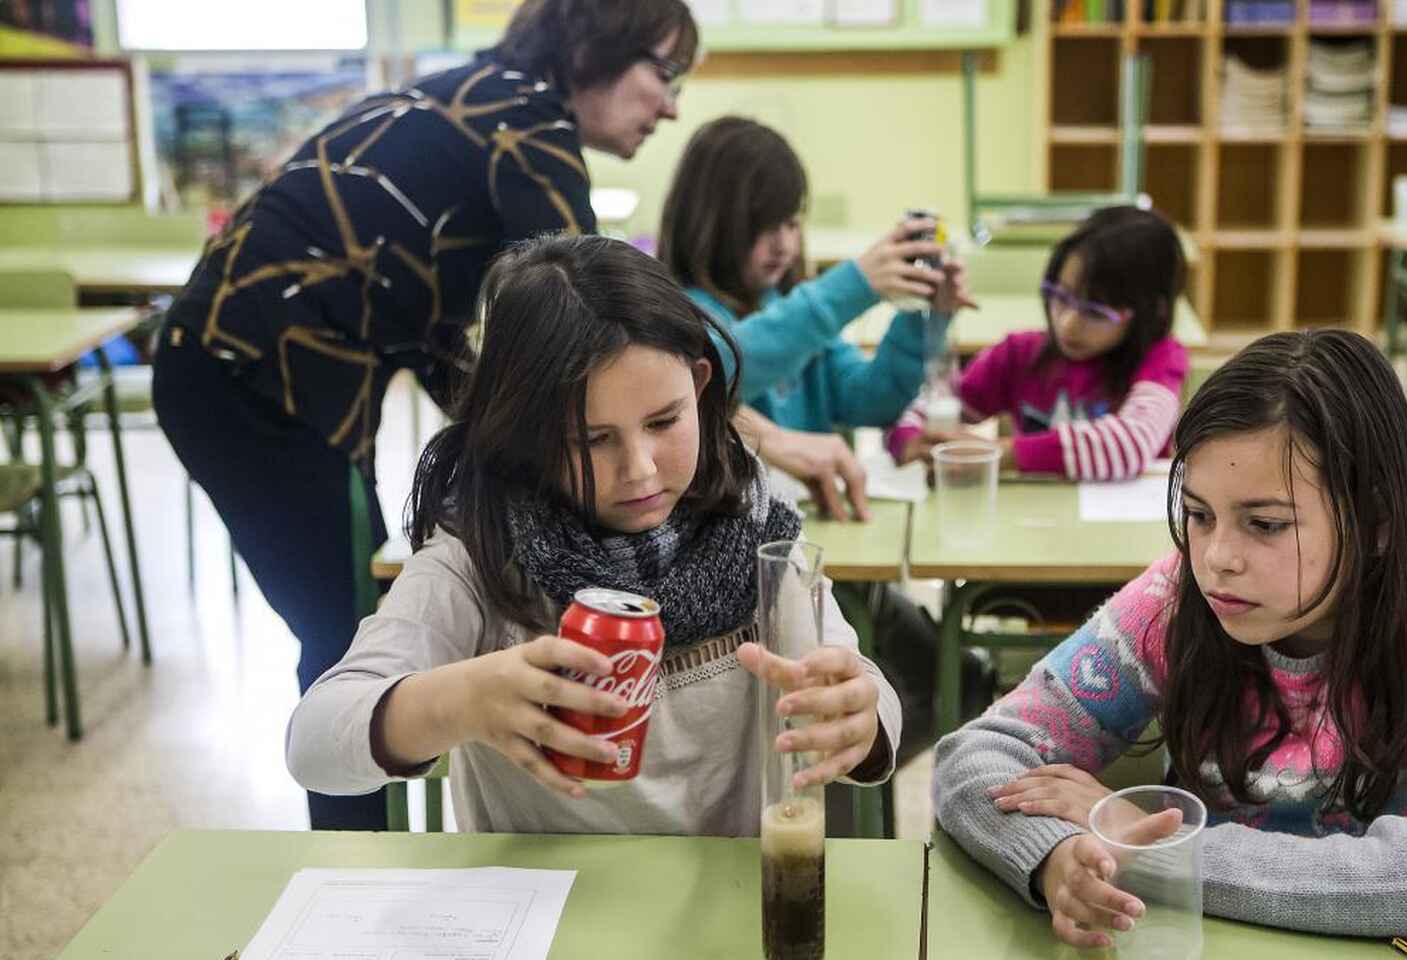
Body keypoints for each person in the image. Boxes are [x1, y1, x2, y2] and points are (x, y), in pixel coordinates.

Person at [153, 0, 699, 829]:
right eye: (663, 73)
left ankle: (365, 866)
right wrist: (710, 427)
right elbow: (598, 328)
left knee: (347, 624)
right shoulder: (528, 125)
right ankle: (354, 888)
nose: (670, 105)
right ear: (596, 48)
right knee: (345, 643)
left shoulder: (475, 98)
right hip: (250, 381)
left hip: (234, 370)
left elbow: (454, 351)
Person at [933, 330, 1407, 951]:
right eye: (1198, 515)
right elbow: (976, 757)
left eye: (1265, 524)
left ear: (1374, 519)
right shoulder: (1182, 598)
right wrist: (1053, 859)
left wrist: (1168, 858)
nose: (1217, 558)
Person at [285, 235, 900, 835]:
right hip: (541, 919)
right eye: (591, 440)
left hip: (729, 910)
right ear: (523, 430)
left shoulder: (758, 527)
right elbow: (313, 744)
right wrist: (456, 700)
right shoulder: (482, 551)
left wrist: (861, 718)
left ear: (700, 385)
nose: (640, 469)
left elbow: (866, 693)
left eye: (664, 421)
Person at [658, 115, 975, 522]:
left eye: (791, 223)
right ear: (707, 222)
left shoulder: (790, 309)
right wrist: (853, 286)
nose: (784, 244)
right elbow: (725, 365)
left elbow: (870, 401)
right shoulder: (673, 316)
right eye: (762, 227)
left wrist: (924, 315)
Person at [888, 206, 1188, 482]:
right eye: (1061, 296)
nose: (1068, 323)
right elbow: (934, 402)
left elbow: (1130, 444)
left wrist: (1002, 453)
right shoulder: (1019, 353)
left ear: (1153, 311)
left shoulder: (1162, 358)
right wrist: (910, 442)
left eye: (1095, 311)